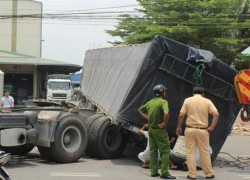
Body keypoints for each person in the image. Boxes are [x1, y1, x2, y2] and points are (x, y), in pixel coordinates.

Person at [176, 86, 219, 179]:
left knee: (190, 152)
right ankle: (209, 173)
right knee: (205, 152)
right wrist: (211, 127)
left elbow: (181, 115)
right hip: (203, 130)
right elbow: (216, 114)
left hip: (190, 129)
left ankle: (192, 174)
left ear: (193, 93)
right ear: (203, 93)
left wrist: (179, 127)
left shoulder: (187, 100)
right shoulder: (207, 101)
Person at [139, 84, 176, 179]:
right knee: (165, 151)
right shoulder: (163, 102)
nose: (165, 93)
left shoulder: (150, 102)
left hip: (151, 130)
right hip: (160, 130)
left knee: (153, 151)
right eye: (164, 91)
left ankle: (154, 172)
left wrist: (149, 118)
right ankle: (164, 173)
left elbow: (140, 110)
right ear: (162, 93)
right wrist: (164, 123)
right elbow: (166, 113)